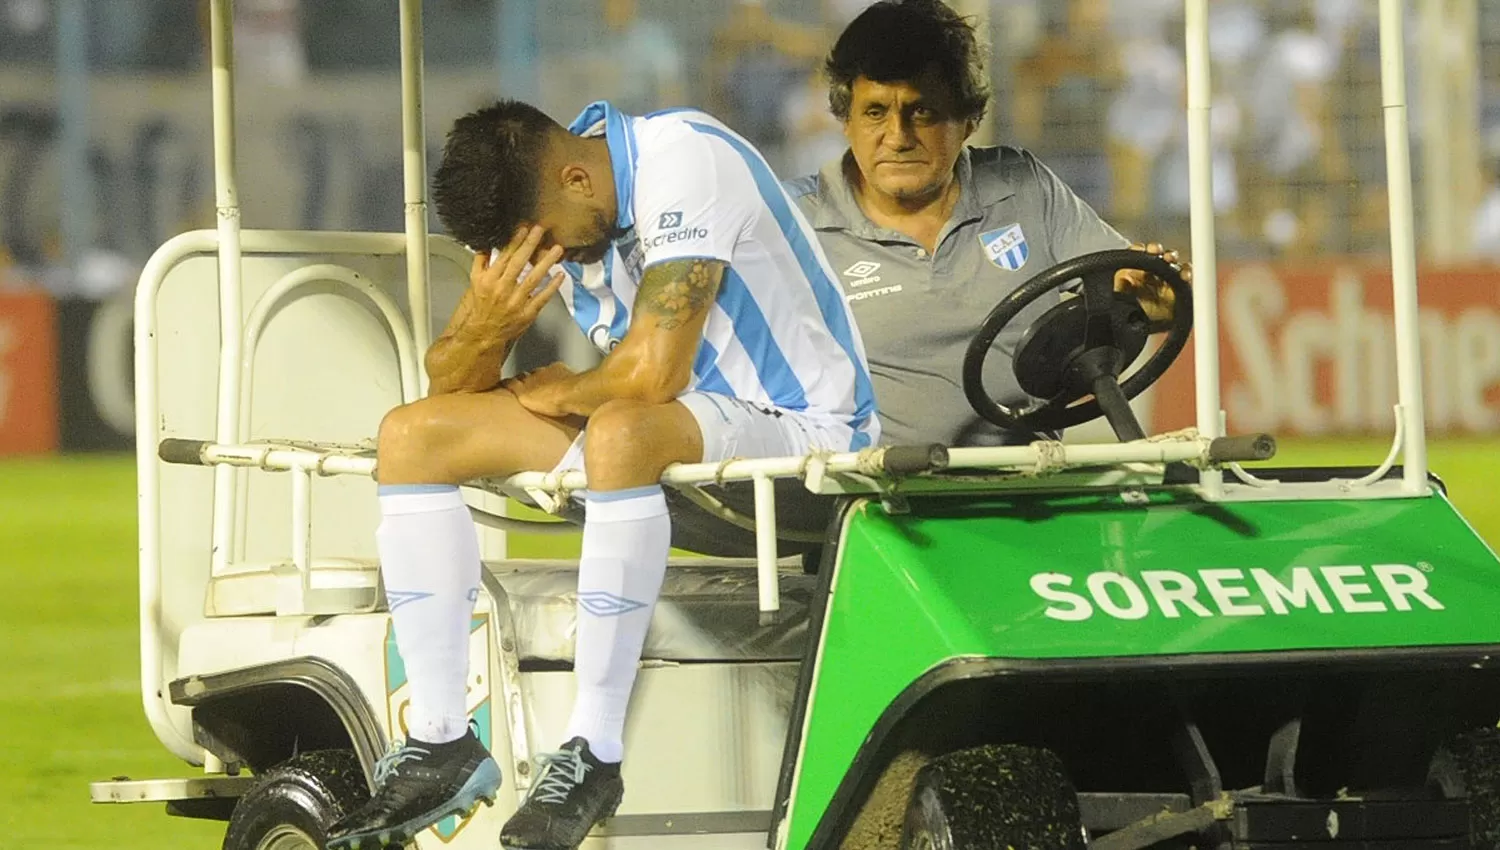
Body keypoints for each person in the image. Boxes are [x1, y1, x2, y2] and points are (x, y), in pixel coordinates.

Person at [325, 98, 877, 850]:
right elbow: (445, 384)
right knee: (411, 438)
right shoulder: (559, 206)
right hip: (673, 444)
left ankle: (594, 751)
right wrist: (485, 331)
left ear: (579, 176)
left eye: (546, 240)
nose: (548, 258)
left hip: (805, 437)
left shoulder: (683, 159)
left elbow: (652, 372)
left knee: (618, 426)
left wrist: (562, 393)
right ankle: (443, 740)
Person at [785, 0, 1189, 449]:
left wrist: (1154, 298)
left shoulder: (1024, 186)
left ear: (969, 120)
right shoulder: (793, 221)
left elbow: (1135, 297)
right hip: (874, 498)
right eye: (876, 112)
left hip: (1025, 486)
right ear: (846, 121)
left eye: (922, 112)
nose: (897, 137)